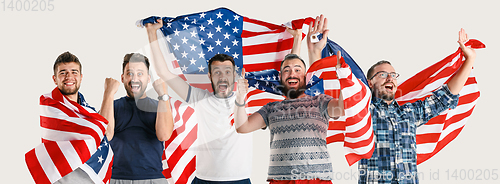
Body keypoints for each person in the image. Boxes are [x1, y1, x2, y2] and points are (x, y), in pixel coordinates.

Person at [234, 15, 345, 183]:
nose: (292, 73)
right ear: (280, 77)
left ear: (306, 76)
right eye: (286, 70)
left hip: (316, 179)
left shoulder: (320, 102)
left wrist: (344, 77)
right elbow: (242, 127)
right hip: (280, 180)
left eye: (298, 70)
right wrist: (240, 98)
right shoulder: (271, 109)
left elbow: (341, 109)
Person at [358, 28, 476, 184]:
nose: (390, 78)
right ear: (370, 83)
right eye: (382, 75)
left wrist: (470, 59)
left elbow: (445, 97)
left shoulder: (409, 113)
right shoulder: (361, 112)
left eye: (393, 75)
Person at [99, 53, 174, 184]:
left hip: (154, 178)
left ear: (148, 78)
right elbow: (104, 135)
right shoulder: (112, 106)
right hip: (117, 178)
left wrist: (163, 94)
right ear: (122, 78)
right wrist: (108, 94)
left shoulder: (159, 106)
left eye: (140, 74)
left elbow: (164, 135)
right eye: (129, 73)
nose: (134, 79)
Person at [50, 51, 98, 184]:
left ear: (81, 77)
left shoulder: (89, 112)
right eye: (63, 72)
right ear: (55, 79)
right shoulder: (50, 109)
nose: (69, 77)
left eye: (74, 72)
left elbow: (106, 134)